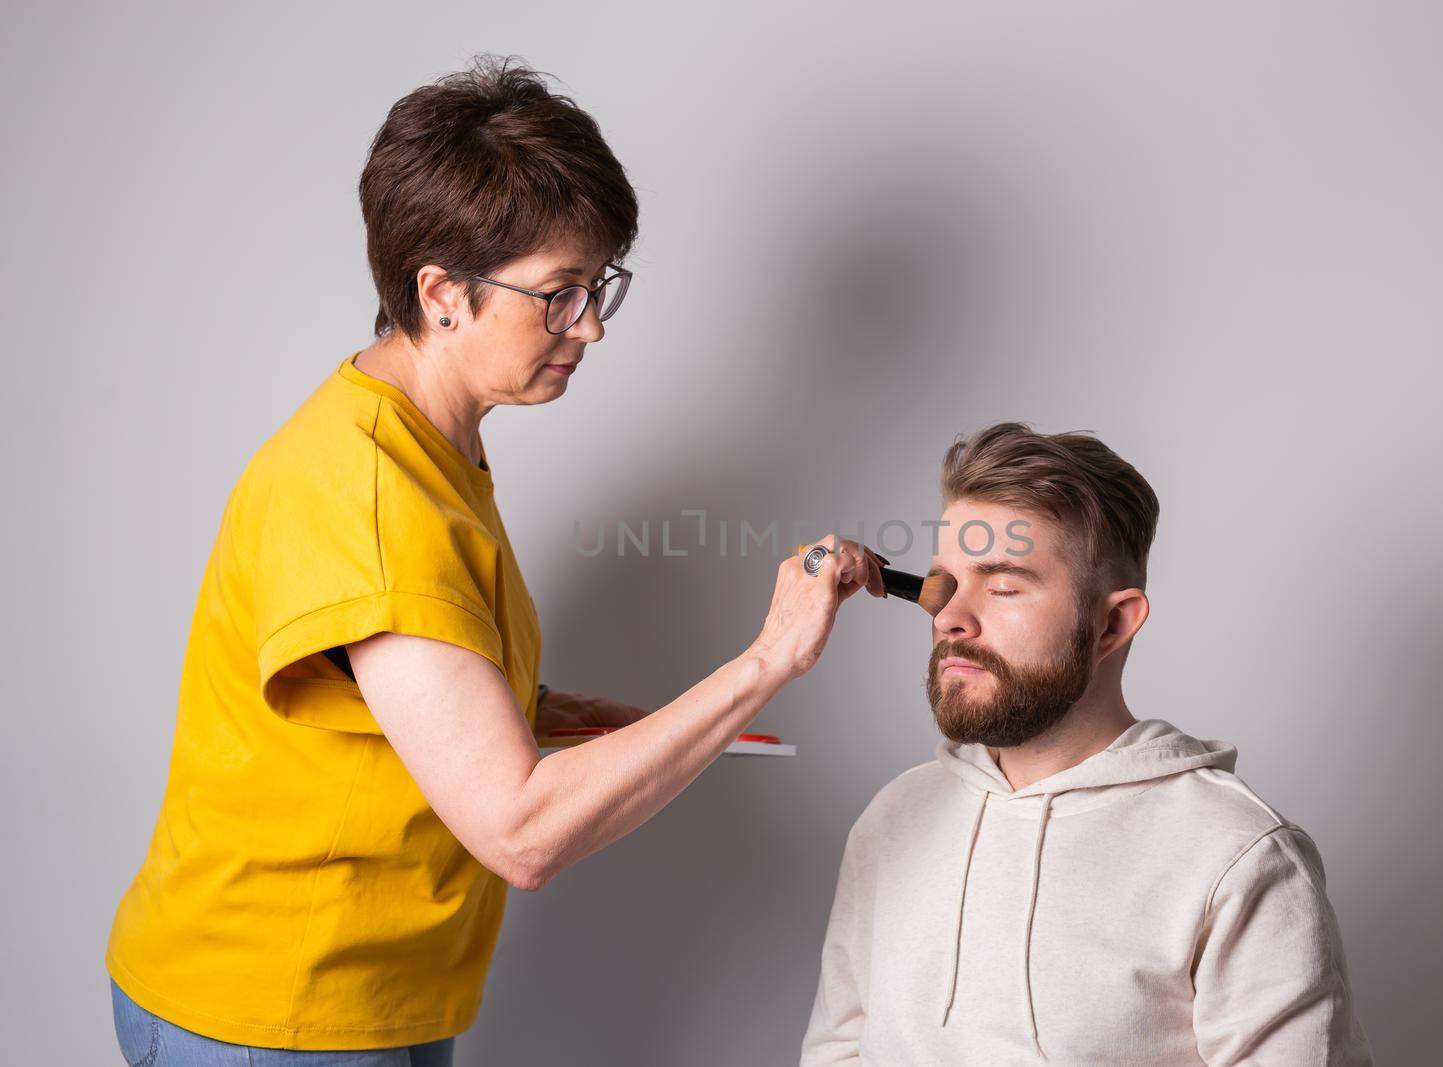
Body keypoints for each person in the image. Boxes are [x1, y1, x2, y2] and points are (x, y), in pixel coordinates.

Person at [105, 54, 885, 1065]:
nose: (592, 325)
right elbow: (520, 831)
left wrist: (538, 704)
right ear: (441, 294)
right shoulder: (372, 493)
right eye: (560, 293)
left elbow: (398, 670)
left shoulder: (426, 442)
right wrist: (768, 659)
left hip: (372, 995)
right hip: (272, 1014)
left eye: (599, 285)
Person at [800, 422, 1371, 1065]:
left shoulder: (1238, 854)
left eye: (1005, 585)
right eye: (944, 586)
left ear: (1112, 623)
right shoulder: (892, 819)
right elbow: (837, 1052)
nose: (951, 618)